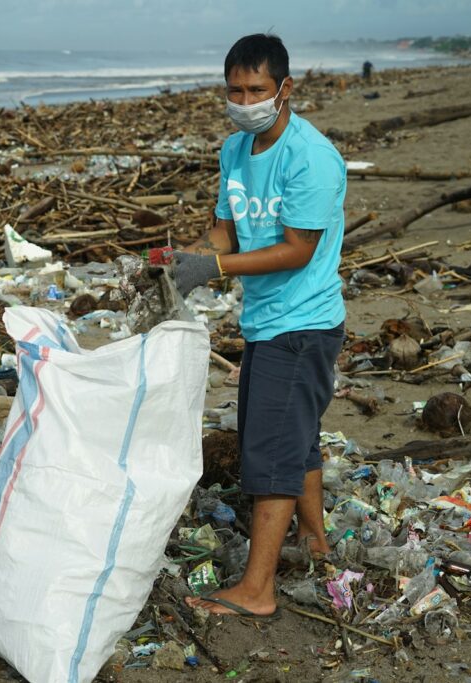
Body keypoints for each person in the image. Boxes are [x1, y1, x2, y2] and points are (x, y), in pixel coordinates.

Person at [175, 33, 346, 617]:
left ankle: (257, 590)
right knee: (296, 436)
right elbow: (226, 229)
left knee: (270, 451)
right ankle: (316, 540)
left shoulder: (311, 157)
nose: (245, 100)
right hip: (266, 321)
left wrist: (216, 266)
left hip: (302, 325)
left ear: (285, 89)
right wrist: (189, 259)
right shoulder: (234, 151)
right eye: (235, 90)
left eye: (257, 90)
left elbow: (298, 248)